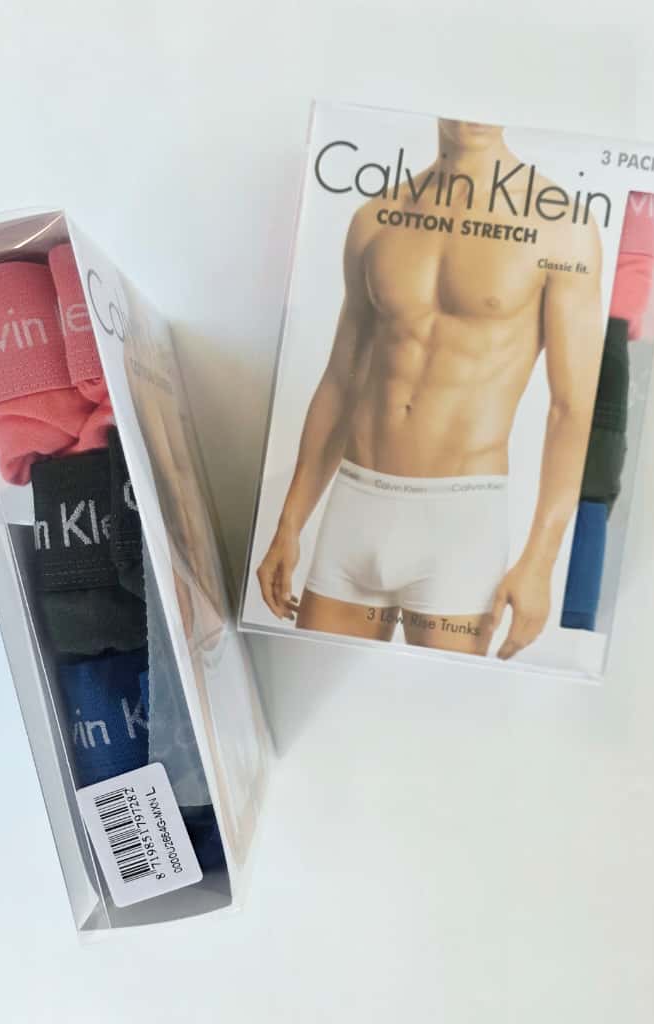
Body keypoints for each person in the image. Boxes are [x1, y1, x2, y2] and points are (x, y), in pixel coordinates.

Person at [257, 119, 603, 659]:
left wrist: (540, 559)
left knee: (442, 706)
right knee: (309, 686)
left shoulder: (560, 226)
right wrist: (289, 522)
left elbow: (572, 408)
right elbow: (341, 380)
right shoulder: (377, 216)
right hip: (355, 506)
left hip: (460, 522)